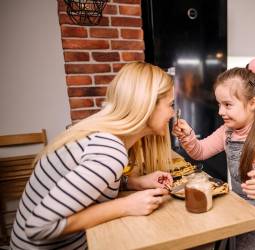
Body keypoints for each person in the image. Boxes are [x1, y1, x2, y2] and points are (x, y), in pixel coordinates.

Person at [10, 62, 175, 249]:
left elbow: (88, 188)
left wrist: (133, 183)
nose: (172, 113)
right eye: (170, 104)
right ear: (148, 105)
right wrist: (127, 206)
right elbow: (38, 227)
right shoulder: (110, 152)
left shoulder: (103, 137)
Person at [173, 59, 255, 250]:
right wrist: (188, 136)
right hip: (244, 210)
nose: (221, 111)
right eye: (219, 104)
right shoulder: (227, 131)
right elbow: (200, 151)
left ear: (252, 102)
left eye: (228, 105)